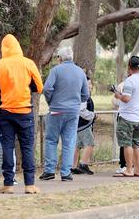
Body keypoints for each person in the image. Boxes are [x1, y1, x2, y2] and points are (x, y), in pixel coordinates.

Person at [0, 34, 43, 194]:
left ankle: (8, 184)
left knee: (7, 147)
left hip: (5, 112)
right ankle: (30, 184)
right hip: (25, 111)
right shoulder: (28, 63)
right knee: (27, 148)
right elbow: (39, 87)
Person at [40, 47, 89, 182]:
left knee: (51, 140)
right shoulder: (80, 72)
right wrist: (77, 101)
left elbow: (47, 88)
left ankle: (49, 171)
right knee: (69, 142)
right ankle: (66, 173)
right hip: (73, 111)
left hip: (56, 110)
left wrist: (51, 101)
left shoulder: (55, 70)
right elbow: (86, 94)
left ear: (60, 58)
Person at [113, 56, 139, 177]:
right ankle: (138, 169)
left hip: (126, 116)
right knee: (136, 144)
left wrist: (117, 95)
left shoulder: (130, 80)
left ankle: (129, 169)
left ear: (129, 67)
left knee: (126, 144)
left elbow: (126, 98)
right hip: (138, 117)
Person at [72, 76, 95, 175]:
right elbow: (81, 111)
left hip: (78, 124)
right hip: (83, 124)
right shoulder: (83, 96)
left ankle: (72, 166)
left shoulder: (81, 95)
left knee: (77, 146)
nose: (90, 86)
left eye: (90, 83)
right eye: (88, 84)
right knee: (90, 143)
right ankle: (83, 164)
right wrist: (93, 115)